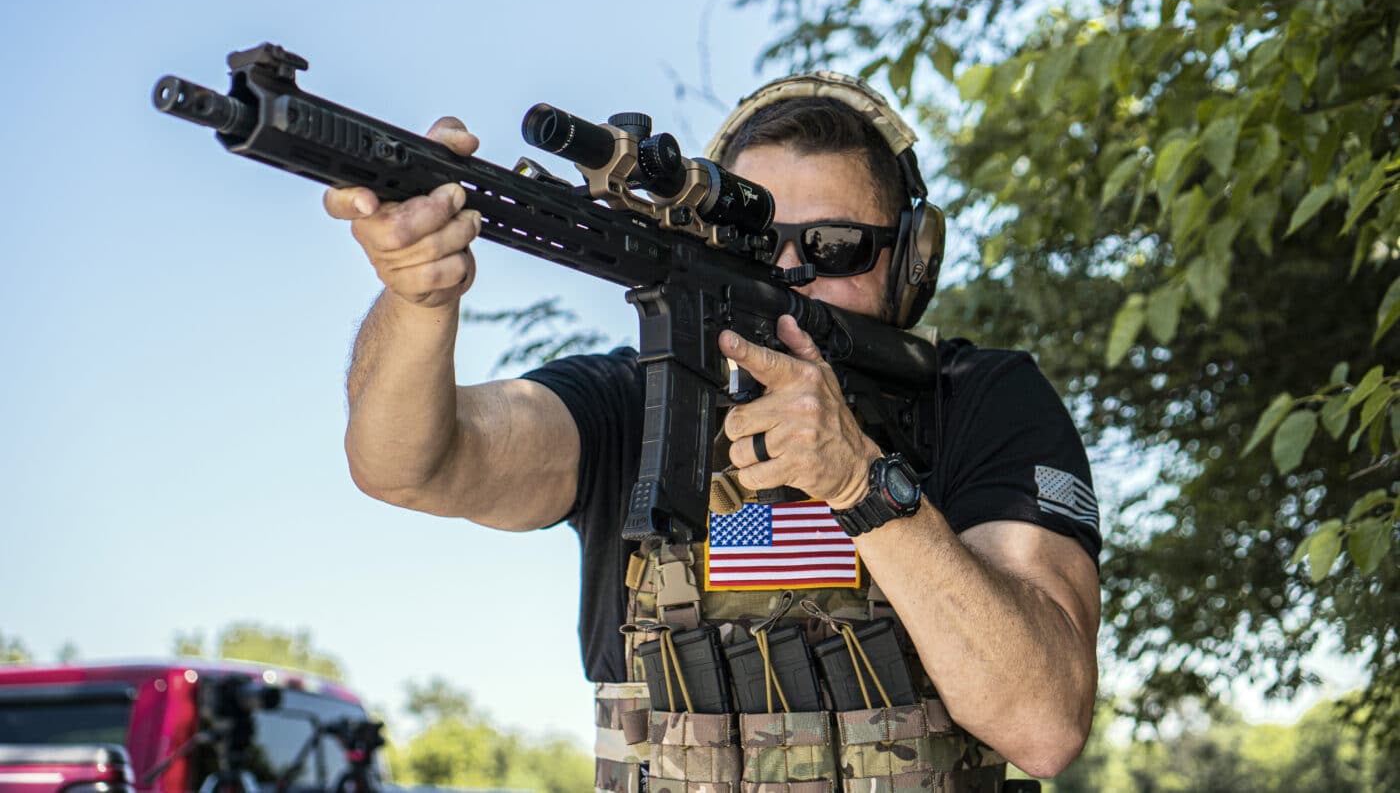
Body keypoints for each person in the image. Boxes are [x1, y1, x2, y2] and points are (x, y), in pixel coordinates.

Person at [324, 74, 1101, 789]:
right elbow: (407, 465)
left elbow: (1043, 723)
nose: (790, 276)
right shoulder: (638, 403)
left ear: (910, 264)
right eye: (757, 247)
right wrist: (418, 299)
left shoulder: (978, 400)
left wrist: (859, 483)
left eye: (834, 247)